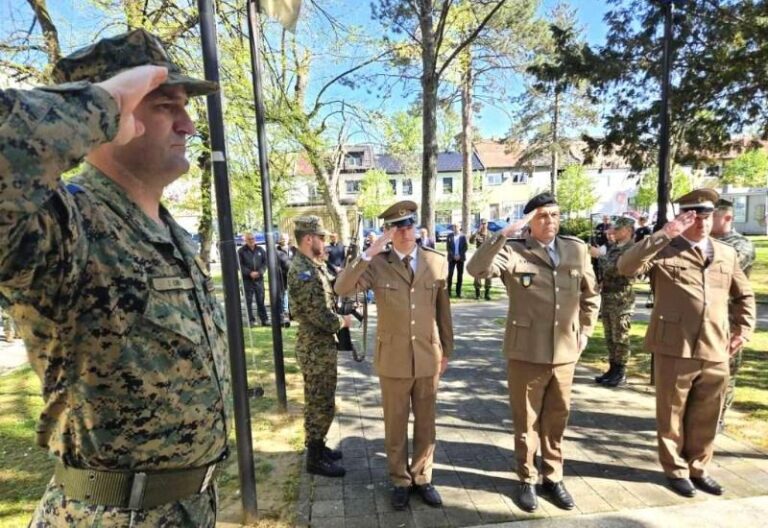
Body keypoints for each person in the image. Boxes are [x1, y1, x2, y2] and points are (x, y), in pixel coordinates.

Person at [0, 30, 229, 526]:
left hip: (190, 510)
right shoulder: (63, 223)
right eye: (167, 106)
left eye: (185, 107)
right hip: (110, 514)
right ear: (115, 119)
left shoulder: (171, 233)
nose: (189, 125)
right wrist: (99, 105)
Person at [467, 191, 600, 513]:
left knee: (557, 420)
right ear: (529, 222)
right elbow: (476, 269)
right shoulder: (514, 252)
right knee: (526, 423)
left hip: (565, 353)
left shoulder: (575, 249)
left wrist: (586, 330)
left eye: (555, 214)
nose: (550, 221)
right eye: (542, 216)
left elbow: (591, 293)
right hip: (526, 353)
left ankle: (553, 477)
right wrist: (502, 235)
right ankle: (526, 478)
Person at [618, 188, 755, 498]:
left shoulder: (726, 253)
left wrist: (743, 330)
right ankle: (675, 470)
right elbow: (626, 267)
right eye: (694, 217)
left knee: (707, 413)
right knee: (671, 414)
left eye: (707, 216)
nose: (702, 222)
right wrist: (662, 235)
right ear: (683, 218)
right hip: (674, 345)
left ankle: (699, 467)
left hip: (715, 345)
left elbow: (744, 295)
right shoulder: (665, 249)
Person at [335, 200, 453, 511]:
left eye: (409, 224)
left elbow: (444, 313)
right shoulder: (376, 264)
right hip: (393, 359)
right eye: (397, 226)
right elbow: (342, 288)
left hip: (428, 356)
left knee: (427, 423)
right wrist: (369, 252)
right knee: (395, 424)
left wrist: (447, 352)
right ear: (388, 232)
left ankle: (423, 477)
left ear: (417, 227)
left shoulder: (435, 262)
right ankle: (400, 479)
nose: (405, 231)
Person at [288, 216, 352, 478]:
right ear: (308, 239)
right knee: (318, 402)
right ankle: (314, 458)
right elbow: (319, 315)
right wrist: (343, 321)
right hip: (315, 347)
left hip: (320, 346)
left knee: (323, 400)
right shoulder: (303, 272)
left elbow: (332, 287)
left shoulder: (313, 266)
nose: (325, 242)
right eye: (322, 238)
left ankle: (318, 446)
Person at [711, 198, 756, 432]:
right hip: (707, 318)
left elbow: (721, 267)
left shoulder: (741, 245)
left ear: (727, 217)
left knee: (726, 370)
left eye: (712, 216)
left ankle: (718, 416)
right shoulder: (707, 242)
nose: (706, 220)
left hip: (730, 319)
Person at [590, 217, 637, 387]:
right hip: (609, 297)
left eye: (617, 229)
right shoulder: (615, 247)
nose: (612, 232)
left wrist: (598, 256)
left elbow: (617, 269)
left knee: (621, 337)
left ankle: (621, 371)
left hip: (621, 299)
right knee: (610, 337)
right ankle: (613, 368)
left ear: (627, 230)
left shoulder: (632, 249)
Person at [238, 232, 269, 326]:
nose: (251, 240)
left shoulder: (260, 250)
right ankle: (251, 320)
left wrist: (259, 272)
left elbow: (265, 263)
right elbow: (239, 265)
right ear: (245, 240)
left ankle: (264, 320)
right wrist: (249, 273)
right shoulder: (241, 251)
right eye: (249, 239)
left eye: (253, 239)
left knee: (261, 300)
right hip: (247, 280)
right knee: (248, 301)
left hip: (259, 280)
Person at [469, 219, 493, 300]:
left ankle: (487, 294)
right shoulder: (477, 233)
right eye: (482, 223)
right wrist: (476, 232)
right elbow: (471, 242)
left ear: (487, 224)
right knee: (477, 275)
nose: (483, 225)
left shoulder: (490, 234)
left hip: (488, 257)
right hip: (479, 257)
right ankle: (477, 294)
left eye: (485, 223)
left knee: (488, 275)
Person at [276, 233, 294, 325]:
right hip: (281, 278)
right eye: (282, 238)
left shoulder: (293, 250)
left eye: (285, 238)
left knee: (292, 295)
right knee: (284, 296)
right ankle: (284, 316)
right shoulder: (276, 251)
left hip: (293, 277)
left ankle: (292, 314)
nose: (284, 240)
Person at [446, 224, 468, 297]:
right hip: (452, 258)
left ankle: (458, 292)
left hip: (460, 258)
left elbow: (465, 247)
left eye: (457, 227)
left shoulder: (463, 236)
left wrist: (459, 255)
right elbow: (448, 248)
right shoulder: (449, 236)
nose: (455, 228)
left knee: (460, 275)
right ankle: (448, 292)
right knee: (450, 274)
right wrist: (453, 255)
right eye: (454, 227)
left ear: (460, 228)